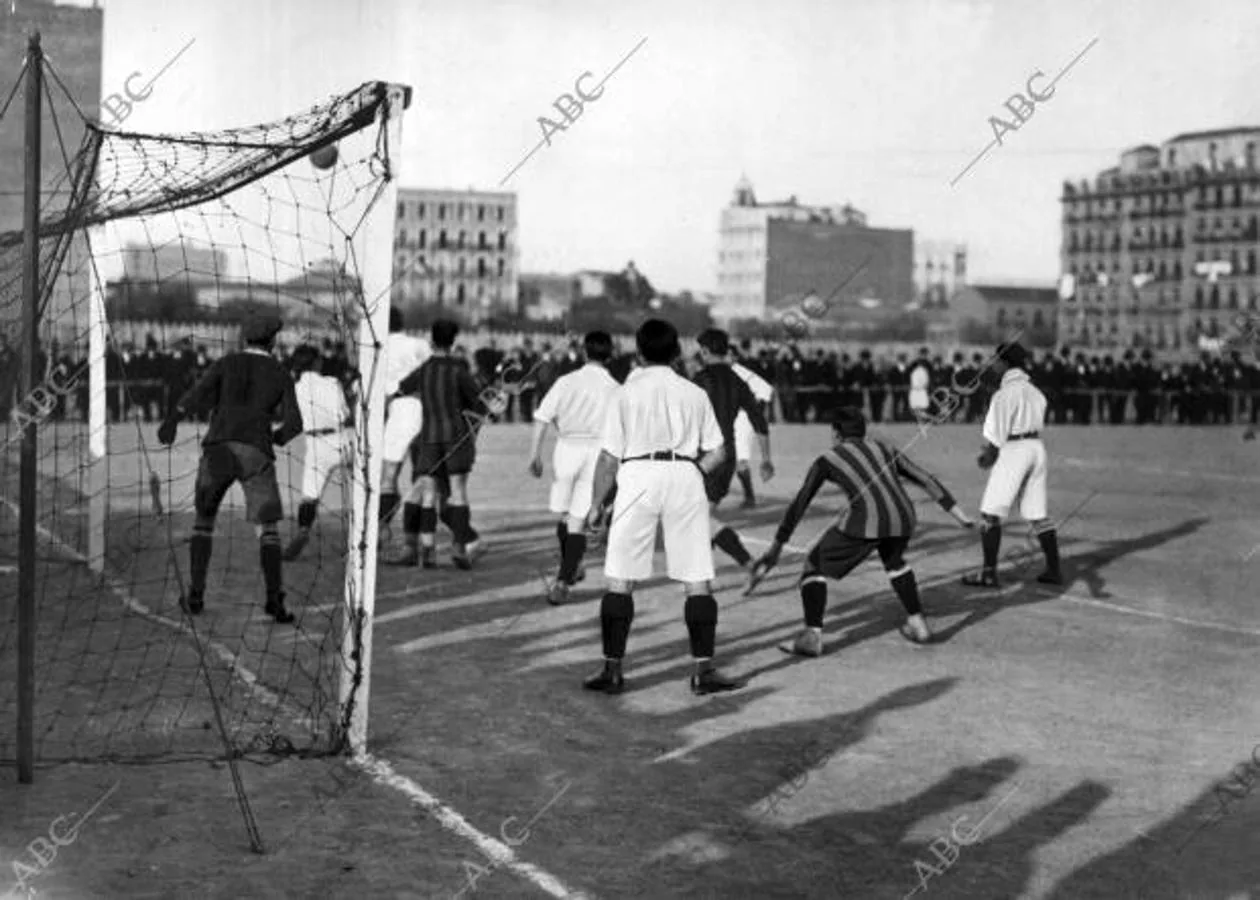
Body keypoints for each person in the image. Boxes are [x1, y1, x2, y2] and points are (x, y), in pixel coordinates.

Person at [581, 318, 745, 696]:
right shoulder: (693, 392)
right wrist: (692, 472)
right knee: (696, 577)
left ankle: (613, 669)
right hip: (683, 474)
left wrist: (595, 505)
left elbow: (608, 457)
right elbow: (719, 451)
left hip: (637, 474)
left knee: (621, 577)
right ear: (676, 353)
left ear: (638, 353)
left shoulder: (623, 394)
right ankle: (703, 670)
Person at [748, 407, 975, 652]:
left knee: (813, 563)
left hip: (867, 521)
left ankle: (812, 636)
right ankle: (918, 622)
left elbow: (799, 504)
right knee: (894, 560)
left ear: (836, 434)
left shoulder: (828, 458)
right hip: (904, 517)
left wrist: (776, 547)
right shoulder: (883, 448)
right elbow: (925, 479)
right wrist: (960, 515)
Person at [157, 312, 303, 624]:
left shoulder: (225, 363)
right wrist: (274, 437)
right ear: (273, 341)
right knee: (268, 528)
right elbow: (295, 424)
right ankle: (275, 600)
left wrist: (172, 420)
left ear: (243, 338)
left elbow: (195, 395)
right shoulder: (279, 371)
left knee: (204, 520)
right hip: (256, 451)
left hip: (218, 448)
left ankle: (195, 595)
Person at [527, 330, 620, 605]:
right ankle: (566, 576)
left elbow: (542, 417)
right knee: (576, 521)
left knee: (567, 517)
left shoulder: (566, 381)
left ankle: (566, 574)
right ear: (610, 355)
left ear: (583, 353)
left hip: (566, 449)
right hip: (597, 452)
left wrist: (535, 454)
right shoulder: (615, 388)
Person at [962, 340, 1062, 588]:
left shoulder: (1004, 394)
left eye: (996, 360)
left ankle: (988, 573)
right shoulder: (1035, 392)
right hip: (1036, 449)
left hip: (1014, 450)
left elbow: (996, 435)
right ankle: (1054, 570)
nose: (993, 364)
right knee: (1038, 514)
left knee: (990, 513)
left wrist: (988, 456)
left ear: (1004, 363)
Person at [392, 318, 483, 569]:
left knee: (428, 493)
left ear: (431, 340)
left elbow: (402, 388)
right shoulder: (458, 370)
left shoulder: (425, 369)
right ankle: (459, 547)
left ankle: (428, 550)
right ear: (453, 342)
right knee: (458, 493)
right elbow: (478, 403)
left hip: (430, 436)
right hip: (456, 436)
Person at [693, 328, 774, 573]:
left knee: (696, 518)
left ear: (705, 351)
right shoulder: (738, 381)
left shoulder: (699, 380)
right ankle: (701, 572)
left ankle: (749, 563)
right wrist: (766, 459)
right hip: (728, 457)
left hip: (705, 458)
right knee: (701, 517)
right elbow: (759, 420)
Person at [282, 344, 352, 560]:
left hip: (314, 444)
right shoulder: (332, 383)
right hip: (341, 440)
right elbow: (344, 414)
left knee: (309, 496)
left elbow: (292, 421)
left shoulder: (295, 388)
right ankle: (361, 538)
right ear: (316, 362)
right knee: (360, 490)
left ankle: (303, 529)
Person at [378, 306, 432, 541]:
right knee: (421, 478)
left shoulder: (377, 347)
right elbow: (432, 372)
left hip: (398, 411)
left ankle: (381, 527)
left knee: (389, 476)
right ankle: (415, 539)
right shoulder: (418, 344)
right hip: (423, 409)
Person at [730, 352, 775, 508]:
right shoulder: (724, 371)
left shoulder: (740, 371)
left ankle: (749, 498)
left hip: (742, 420)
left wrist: (754, 410)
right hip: (731, 417)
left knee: (740, 459)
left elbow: (767, 389)